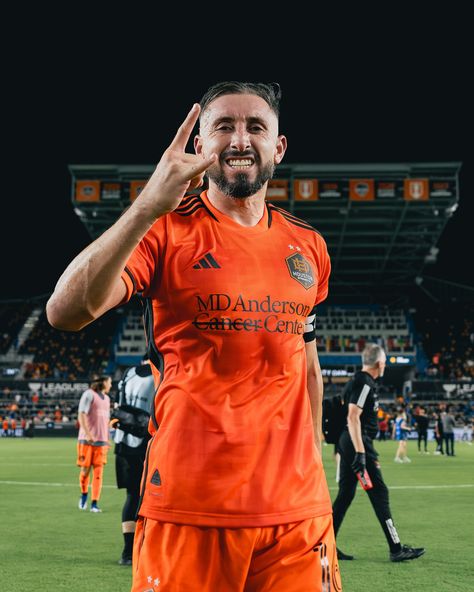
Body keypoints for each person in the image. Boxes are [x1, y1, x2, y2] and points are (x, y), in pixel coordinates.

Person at [46, 81, 341, 591]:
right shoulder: (165, 231)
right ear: (200, 146)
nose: (241, 139)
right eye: (223, 126)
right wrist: (145, 208)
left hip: (298, 517)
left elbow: (307, 366)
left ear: (279, 146)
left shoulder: (308, 247)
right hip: (190, 507)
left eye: (256, 126)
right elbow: (65, 311)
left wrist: (310, 471)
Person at [332, 343, 425, 563]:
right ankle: (396, 549)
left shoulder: (357, 381)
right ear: (380, 363)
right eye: (385, 362)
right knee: (379, 493)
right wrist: (361, 454)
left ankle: (327, 545)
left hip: (349, 443)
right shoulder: (364, 383)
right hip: (358, 444)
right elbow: (353, 416)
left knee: (345, 494)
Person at [113, 356, 156, 566]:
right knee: (152, 496)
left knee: (131, 497)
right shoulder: (160, 374)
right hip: (147, 443)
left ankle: (127, 552)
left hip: (123, 443)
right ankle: (146, 549)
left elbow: (119, 406)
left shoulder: (128, 373)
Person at [76, 375, 112, 513]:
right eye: (109, 382)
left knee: (98, 473)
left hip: (101, 442)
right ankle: (84, 495)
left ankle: (94, 503)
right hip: (87, 440)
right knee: (85, 470)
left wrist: (108, 438)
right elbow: (82, 415)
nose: (110, 385)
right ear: (103, 383)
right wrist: (88, 434)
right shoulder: (89, 394)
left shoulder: (107, 399)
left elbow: (106, 421)